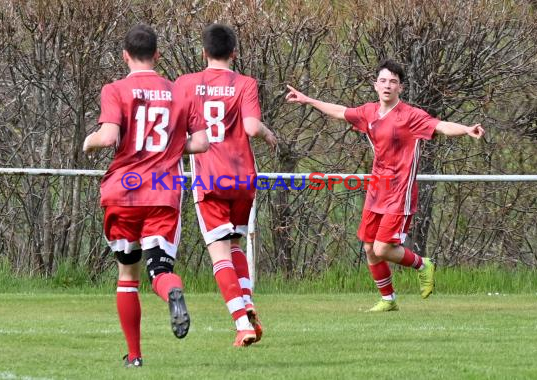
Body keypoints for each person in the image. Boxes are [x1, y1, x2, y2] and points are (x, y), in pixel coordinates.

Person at [286, 59, 485, 311]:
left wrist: (466, 129)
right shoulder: (369, 112)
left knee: (382, 248)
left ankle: (423, 264)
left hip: (400, 193)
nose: (387, 85)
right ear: (375, 85)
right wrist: (308, 100)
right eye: (383, 81)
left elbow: (441, 126)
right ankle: (388, 300)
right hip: (376, 190)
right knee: (369, 247)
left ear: (400, 87)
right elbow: (340, 111)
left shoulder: (410, 116)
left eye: (393, 81)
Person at [83, 24, 209, 367]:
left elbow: (109, 136)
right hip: (162, 193)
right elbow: (202, 143)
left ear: (125, 55)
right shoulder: (181, 93)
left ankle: (135, 357)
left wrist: (88, 141)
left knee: (127, 276)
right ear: (157, 55)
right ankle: (171, 291)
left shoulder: (115, 89)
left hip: (122, 191)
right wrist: (171, 145)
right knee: (159, 269)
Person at [175, 23, 277, 346]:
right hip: (244, 178)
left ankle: (241, 323)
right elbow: (250, 126)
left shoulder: (186, 84)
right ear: (234, 52)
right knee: (235, 246)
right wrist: (267, 132)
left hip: (210, 178)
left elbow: (175, 127)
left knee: (219, 252)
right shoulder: (245, 83)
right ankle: (248, 309)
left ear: (203, 52)